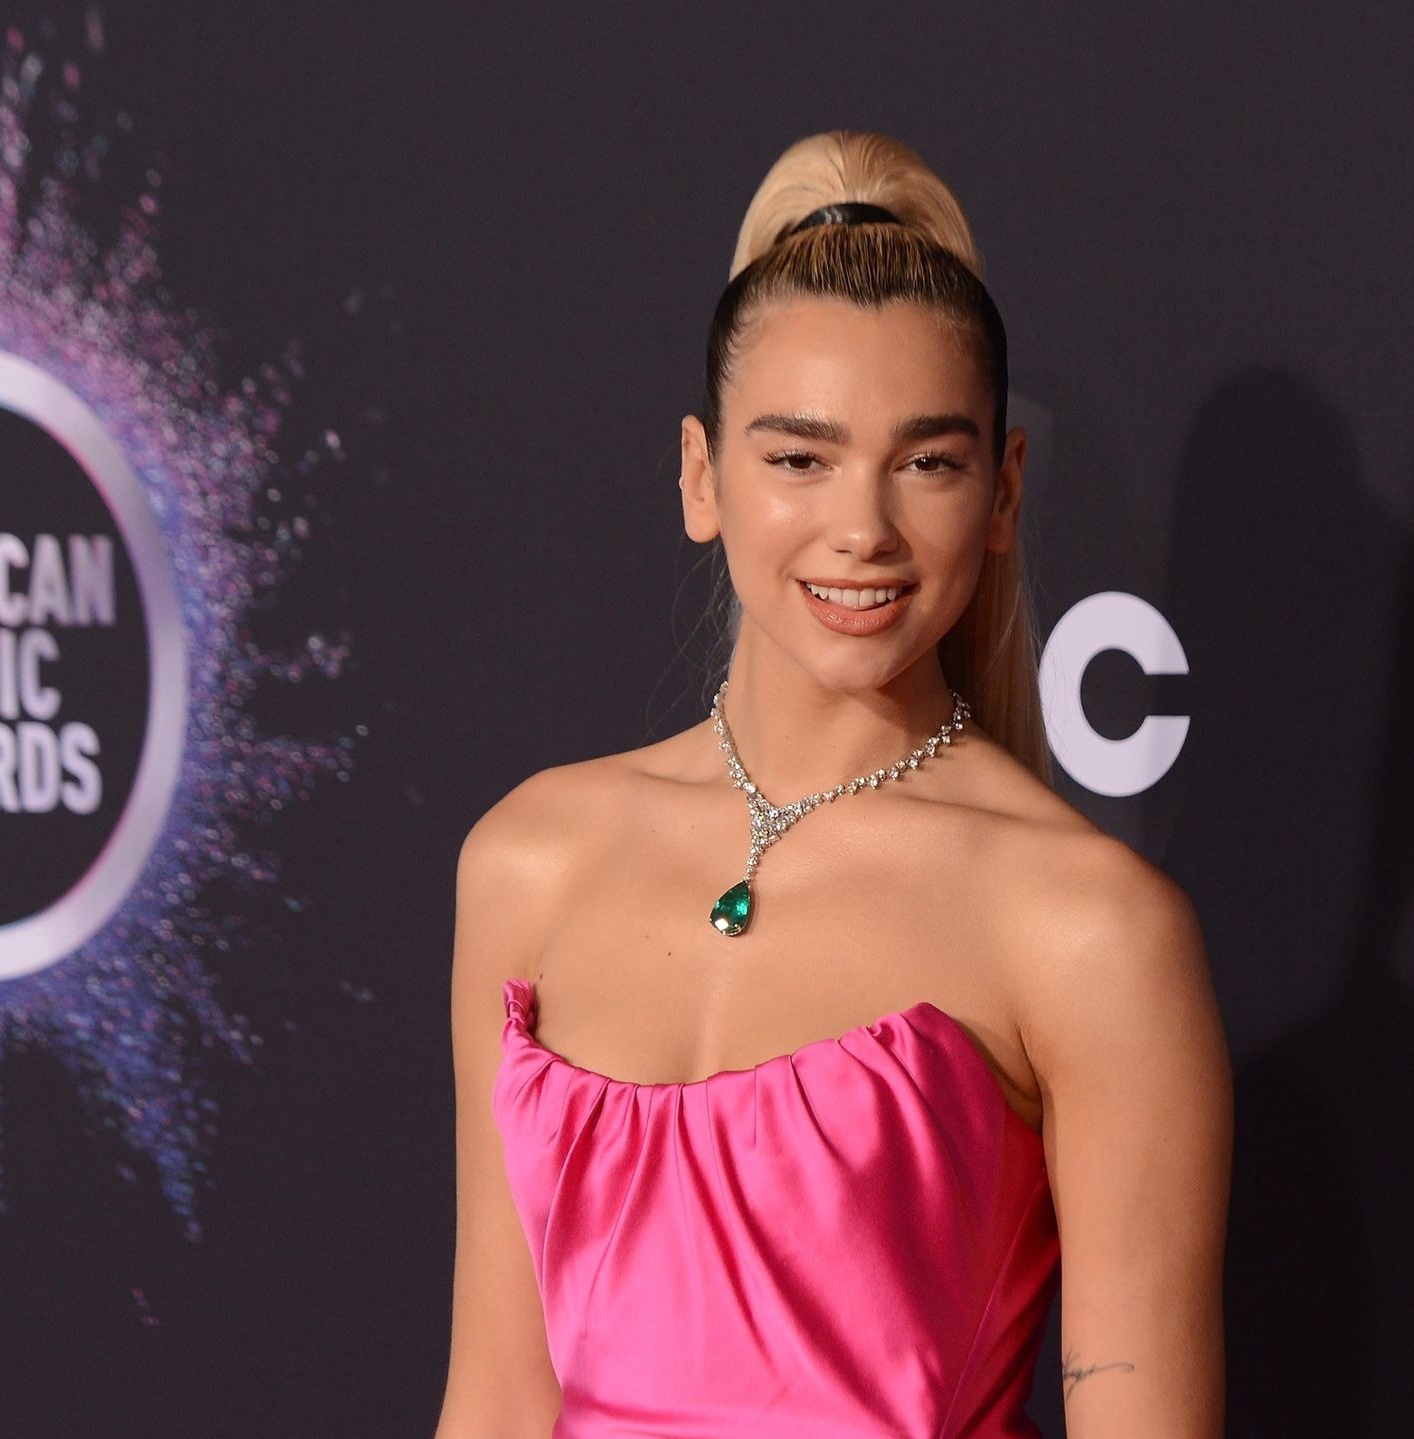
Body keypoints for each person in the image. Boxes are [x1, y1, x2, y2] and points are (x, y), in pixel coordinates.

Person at [435, 130, 1232, 1438]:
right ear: (701, 476)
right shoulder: (529, 861)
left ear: (1003, 493)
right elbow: (495, 1401)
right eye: (799, 458)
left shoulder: (1090, 929)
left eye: (927, 462)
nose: (862, 528)